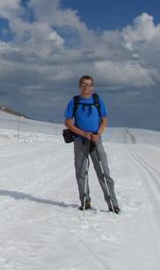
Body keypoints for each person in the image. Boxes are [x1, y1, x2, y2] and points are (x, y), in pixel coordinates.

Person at [64, 75, 120, 214]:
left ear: (93, 87)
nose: (86, 87)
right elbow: (68, 122)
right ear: (79, 86)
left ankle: (113, 204)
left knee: (103, 172)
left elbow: (104, 119)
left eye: (89, 85)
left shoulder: (97, 100)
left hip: (96, 139)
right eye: (83, 84)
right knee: (81, 171)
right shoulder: (74, 101)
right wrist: (83, 134)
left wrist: (98, 134)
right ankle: (85, 201)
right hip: (80, 140)